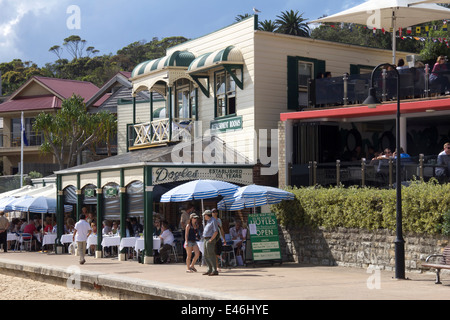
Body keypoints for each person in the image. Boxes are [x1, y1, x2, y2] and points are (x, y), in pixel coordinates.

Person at [202, 210, 219, 276]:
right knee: (206, 255)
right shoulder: (208, 221)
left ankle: (214, 270)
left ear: (207, 215)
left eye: (205, 215)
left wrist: (211, 239)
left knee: (211, 254)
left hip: (210, 239)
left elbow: (216, 231)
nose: (204, 216)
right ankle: (209, 269)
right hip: (206, 239)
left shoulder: (213, 221)